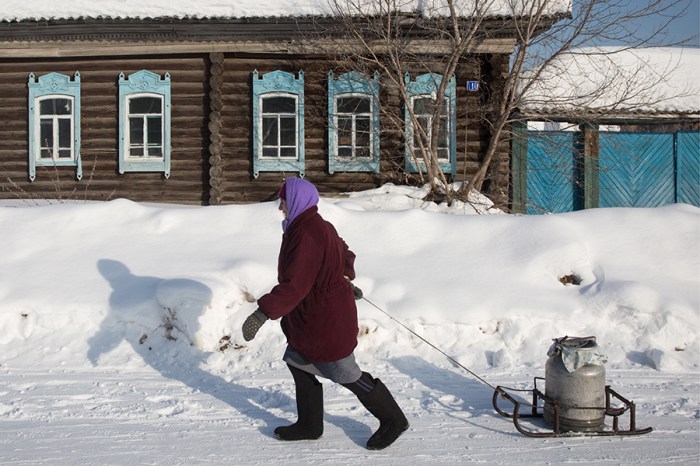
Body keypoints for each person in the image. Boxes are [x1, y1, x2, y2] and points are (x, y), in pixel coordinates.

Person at [242, 177, 409, 450]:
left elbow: (295, 284)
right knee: (297, 362)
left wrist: (263, 313)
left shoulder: (307, 233)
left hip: (326, 321)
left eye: (283, 200)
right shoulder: (312, 225)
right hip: (311, 318)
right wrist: (342, 276)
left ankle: (393, 419)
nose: (280, 207)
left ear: (296, 201)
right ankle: (310, 424)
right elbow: (344, 253)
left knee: (346, 373)